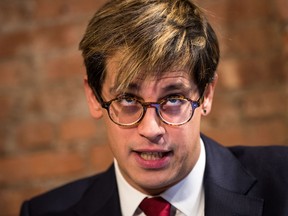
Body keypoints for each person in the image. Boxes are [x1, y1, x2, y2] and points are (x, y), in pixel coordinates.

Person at [20, 0, 288, 215]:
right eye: (127, 99)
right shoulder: (44, 211)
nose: (151, 129)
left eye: (173, 99)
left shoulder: (282, 179)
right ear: (93, 96)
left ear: (206, 94)